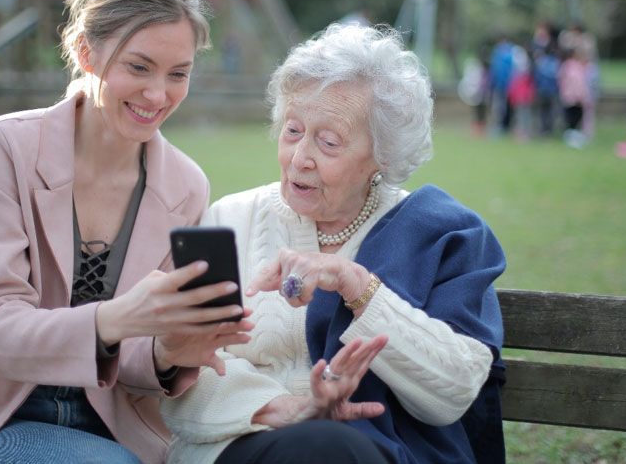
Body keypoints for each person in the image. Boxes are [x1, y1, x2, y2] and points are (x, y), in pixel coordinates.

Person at [0, 0, 253, 464]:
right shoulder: (2, 149)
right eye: (139, 66)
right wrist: (115, 318)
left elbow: (136, 355)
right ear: (84, 51)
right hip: (7, 420)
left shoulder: (186, 184)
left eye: (178, 73)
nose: (158, 94)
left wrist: (166, 351)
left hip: (123, 433)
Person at [161, 24, 507, 464]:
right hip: (237, 447)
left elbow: (454, 392)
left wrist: (359, 286)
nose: (299, 157)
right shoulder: (229, 220)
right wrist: (285, 409)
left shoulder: (441, 235)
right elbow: (181, 365)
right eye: (292, 130)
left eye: (328, 142)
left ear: (384, 156)